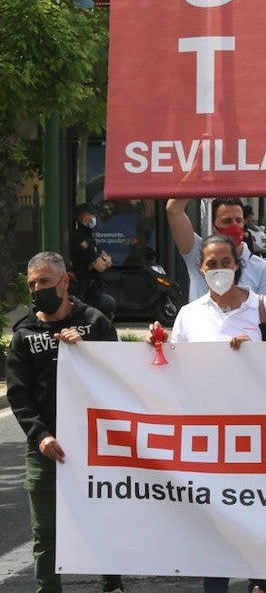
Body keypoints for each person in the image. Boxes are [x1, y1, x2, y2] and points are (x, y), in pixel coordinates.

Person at [149, 235, 266, 593]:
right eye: (211, 263)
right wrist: (158, 348)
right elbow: (178, 370)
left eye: (225, 262)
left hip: (256, 431)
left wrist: (256, 354)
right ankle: (215, 584)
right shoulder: (188, 313)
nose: (218, 269)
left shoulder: (263, 307)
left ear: (237, 265)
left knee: (257, 510)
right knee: (215, 514)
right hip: (209, 433)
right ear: (201, 268)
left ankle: (261, 581)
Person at [6, 252, 125, 593]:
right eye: (32, 284)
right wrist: (39, 435)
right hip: (46, 447)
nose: (37, 289)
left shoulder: (94, 321)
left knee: (103, 519)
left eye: (44, 281)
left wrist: (85, 349)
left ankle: (112, 583)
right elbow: (19, 395)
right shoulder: (24, 334)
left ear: (64, 281)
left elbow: (118, 374)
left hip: (95, 443)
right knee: (46, 532)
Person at [167, 197, 266, 301]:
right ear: (213, 226)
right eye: (227, 221)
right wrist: (198, 180)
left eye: (238, 220)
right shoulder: (199, 253)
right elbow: (174, 210)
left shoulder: (263, 269)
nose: (234, 226)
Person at [68, 202, 116, 320]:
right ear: (85, 217)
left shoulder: (90, 237)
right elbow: (100, 266)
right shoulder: (80, 238)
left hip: (94, 286)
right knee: (107, 304)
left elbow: (106, 259)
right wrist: (103, 260)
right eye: (92, 215)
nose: (94, 218)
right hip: (84, 289)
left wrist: (103, 260)